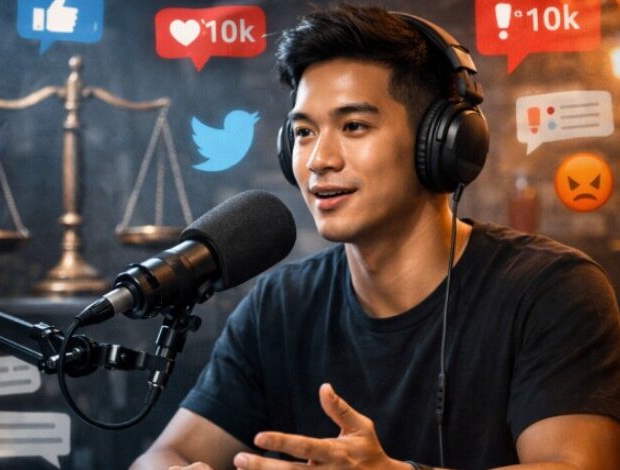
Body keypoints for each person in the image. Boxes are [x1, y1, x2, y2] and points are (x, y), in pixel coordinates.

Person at [131, 4, 620, 469]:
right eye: (303, 132)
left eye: (354, 125)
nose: (319, 160)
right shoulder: (278, 307)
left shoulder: (551, 290)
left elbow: (579, 465)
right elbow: (162, 454)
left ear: (439, 143)